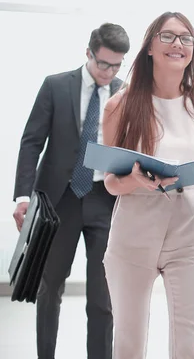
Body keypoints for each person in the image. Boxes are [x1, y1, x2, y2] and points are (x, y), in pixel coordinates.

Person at [101, 12, 194, 359]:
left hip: (190, 228)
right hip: (134, 227)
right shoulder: (119, 105)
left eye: (186, 38)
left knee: (190, 343)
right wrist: (134, 179)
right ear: (150, 46)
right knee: (129, 342)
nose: (177, 44)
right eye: (167, 37)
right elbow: (110, 182)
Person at [12, 22, 129, 359]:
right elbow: (32, 141)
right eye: (103, 63)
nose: (109, 72)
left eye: (117, 65)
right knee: (50, 288)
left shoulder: (124, 93)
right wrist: (23, 197)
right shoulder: (56, 85)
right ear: (89, 53)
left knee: (102, 295)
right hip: (58, 201)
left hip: (104, 199)